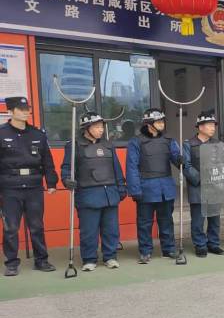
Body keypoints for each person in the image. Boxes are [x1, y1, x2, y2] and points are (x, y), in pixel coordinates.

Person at [61, 112, 127, 271]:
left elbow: (116, 168)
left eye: (101, 127)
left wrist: (121, 186)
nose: (101, 130)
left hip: (109, 193)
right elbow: (67, 167)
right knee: (89, 231)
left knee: (111, 229)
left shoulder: (108, 145)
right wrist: (67, 179)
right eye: (97, 127)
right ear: (86, 128)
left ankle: (110, 257)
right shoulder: (74, 145)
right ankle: (89, 259)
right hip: (88, 194)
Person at [0, 96, 58, 276]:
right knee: (11, 228)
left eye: (27, 109)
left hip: (33, 186)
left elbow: (47, 160)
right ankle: (11, 263)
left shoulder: (37, 134)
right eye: (21, 109)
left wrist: (51, 182)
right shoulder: (1, 133)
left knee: (36, 226)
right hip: (10, 187)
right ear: (10, 111)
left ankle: (41, 260)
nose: (26, 112)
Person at [126, 108, 182, 264]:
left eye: (163, 121)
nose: (162, 124)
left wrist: (180, 160)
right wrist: (135, 190)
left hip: (165, 187)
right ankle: (145, 251)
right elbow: (131, 167)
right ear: (149, 124)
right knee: (144, 223)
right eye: (158, 121)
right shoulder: (136, 142)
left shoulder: (169, 140)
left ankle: (169, 249)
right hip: (146, 188)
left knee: (166, 220)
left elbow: (176, 159)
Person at [183, 110, 224, 257]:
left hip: (215, 186)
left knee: (214, 218)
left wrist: (219, 178)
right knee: (198, 220)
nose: (213, 128)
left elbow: (223, 163)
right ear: (200, 127)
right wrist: (201, 179)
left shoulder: (218, 144)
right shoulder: (189, 144)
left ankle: (213, 244)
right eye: (209, 125)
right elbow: (186, 166)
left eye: (214, 125)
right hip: (198, 187)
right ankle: (200, 245)